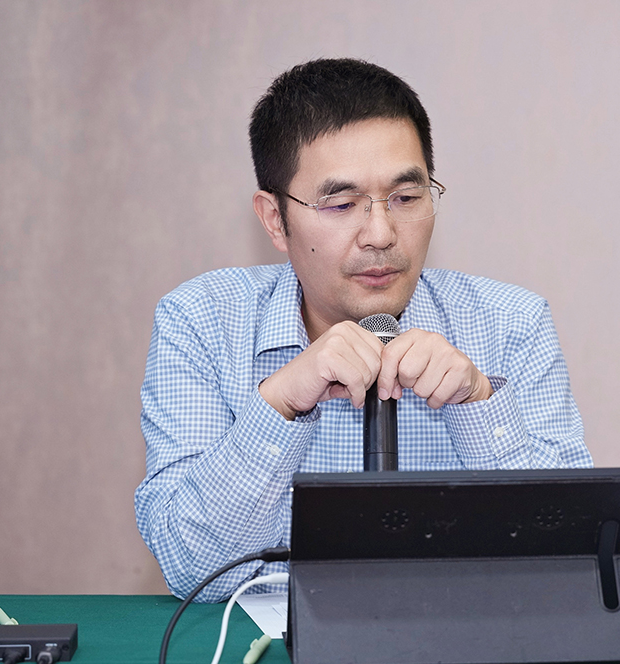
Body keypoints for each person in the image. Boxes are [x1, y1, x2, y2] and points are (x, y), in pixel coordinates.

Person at [134, 58, 592, 602]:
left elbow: (577, 561)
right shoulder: (201, 322)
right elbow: (191, 569)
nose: (380, 233)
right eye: (342, 204)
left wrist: (479, 402)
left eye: (406, 198)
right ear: (275, 219)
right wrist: (279, 405)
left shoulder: (512, 322)